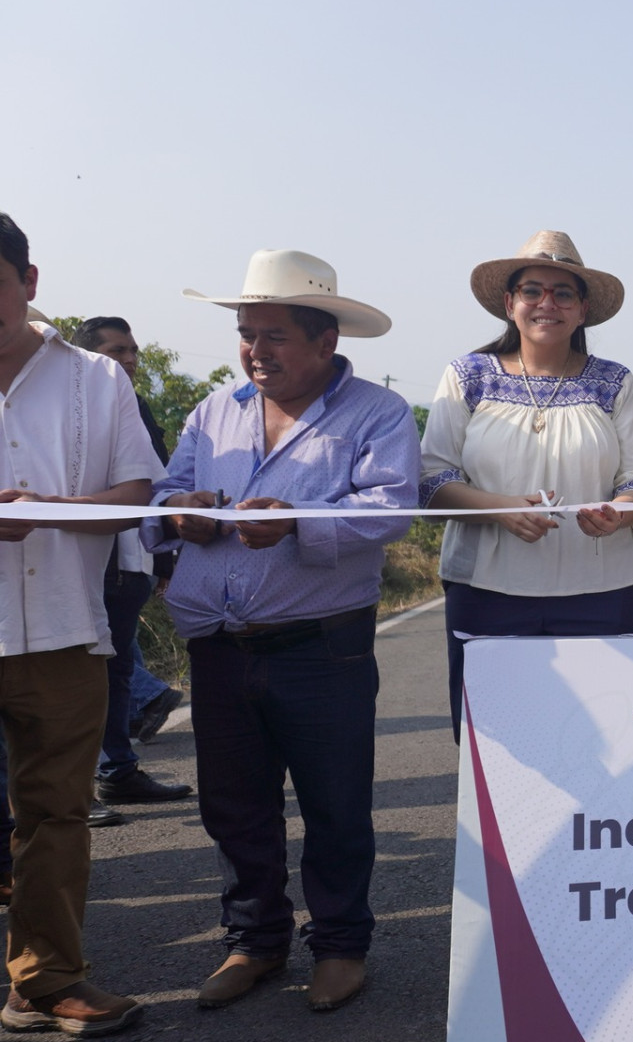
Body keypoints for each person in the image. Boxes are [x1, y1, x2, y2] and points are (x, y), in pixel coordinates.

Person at [149, 248, 420, 1011]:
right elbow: (168, 490)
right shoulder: (215, 410)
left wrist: (300, 523)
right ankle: (254, 941)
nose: (255, 352)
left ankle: (339, 946)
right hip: (220, 645)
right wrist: (181, 516)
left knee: (335, 802)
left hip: (320, 645)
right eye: (246, 333)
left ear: (326, 341)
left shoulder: (378, 413)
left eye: (274, 336)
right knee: (234, 805)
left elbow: (392, 509)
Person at [0, 212, 159, 1035]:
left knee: (55, 815)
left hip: (63, 630)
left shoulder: (96, 379)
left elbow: (136, 495)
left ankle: (45, 979)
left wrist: (49, 509)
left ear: (29, 282)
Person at [421, 232, 633, 727]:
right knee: (495, 734)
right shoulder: (468, 376)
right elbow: (431, 478)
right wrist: (500, 508)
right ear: (510, 303)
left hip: (601, 590)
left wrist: (617, 514)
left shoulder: (614, 382)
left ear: (582, 309)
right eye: (532, 290)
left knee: (601, 731)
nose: (546, 303)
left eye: (563, 293)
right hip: (487, 589)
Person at [71, 318, 193, 817]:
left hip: (130, 558)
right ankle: (81, 783)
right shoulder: (73, 401)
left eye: (134, 350)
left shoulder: (129, 402)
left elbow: (154, 488)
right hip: (86, 559)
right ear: (87, 356)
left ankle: (115, 770)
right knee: (82, 674)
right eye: (117, 350)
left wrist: (163, 556)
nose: (130, 360)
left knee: (117, 671)